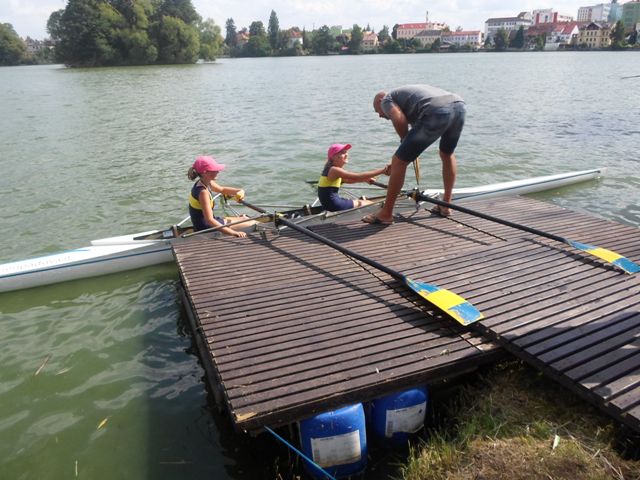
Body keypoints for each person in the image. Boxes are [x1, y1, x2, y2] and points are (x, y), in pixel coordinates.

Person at [363, 84, 466, 225]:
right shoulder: (409, 101)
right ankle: (446, 205)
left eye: (377, 111)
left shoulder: (387, 99)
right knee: (447, 154)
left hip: (436, 109)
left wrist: (403, 148)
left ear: (380, 101)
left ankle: (385, 214)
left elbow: (398, 118)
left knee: (399, 161)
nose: (380, 116)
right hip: (459, 106)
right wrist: (407, 149)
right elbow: (414, 129)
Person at [187, 155, 255, 237]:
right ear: (205, 173)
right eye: (214, 170)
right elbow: (209, 220)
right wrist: (233, 233)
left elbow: (222, 189)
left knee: (245, 218)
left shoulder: (206, 182)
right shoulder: (202, 192)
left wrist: (239, 191)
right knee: (252, 223)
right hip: (205, 228)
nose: (218, 171)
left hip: (210, 222)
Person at [318, 143, 390, 212]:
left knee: (362, 202)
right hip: (334, 205)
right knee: (367, 203)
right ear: (333, 157)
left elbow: (348, 180)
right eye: (342, 153)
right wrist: (383, 170)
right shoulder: (334, 170)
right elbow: (358, 176)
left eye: (346, 152)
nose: (346, 154)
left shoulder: (330, 169)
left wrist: (364, 180)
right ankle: (382, 214)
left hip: (328, 205)